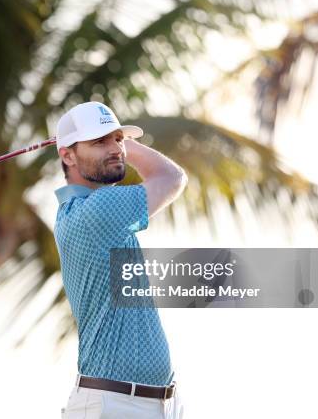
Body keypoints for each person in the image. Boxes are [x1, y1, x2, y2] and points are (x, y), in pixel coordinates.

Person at [54, 101, 187, 418]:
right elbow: (171, 177)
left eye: (117, 138)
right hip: (114, 404)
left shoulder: (84, 212)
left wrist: (110, 140)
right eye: (99, 141)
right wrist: (126, 144)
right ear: (67, 155)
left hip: (152, 404)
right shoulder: (97, 212)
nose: (116, 148)